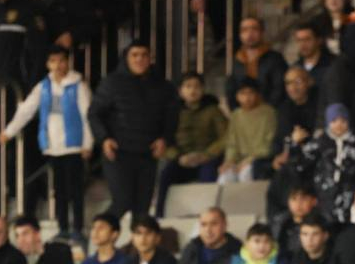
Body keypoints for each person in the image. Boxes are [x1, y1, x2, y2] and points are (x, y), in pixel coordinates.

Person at [0, 46, 94, 240]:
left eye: (61, 60)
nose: (58, 65)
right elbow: (26, 110)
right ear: (47, 64)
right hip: (53, 146)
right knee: (59, 190)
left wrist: (88, 143)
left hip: (74, 145)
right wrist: (9, 131)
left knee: (75, 189)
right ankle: (63, 226)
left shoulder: (78, 85)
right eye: (53, 61)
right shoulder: (43, 87)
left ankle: (78, 227)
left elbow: (88, 115)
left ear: (67, 62)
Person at [88, 41, 178, 220]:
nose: (139, 59)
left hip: (148, 153)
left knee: (143, 208)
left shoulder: (163, 86)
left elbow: (171, 117)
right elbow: (94, 114)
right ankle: (100, 230)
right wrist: (104, 139)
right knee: (122, 201)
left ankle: (137, 240)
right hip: (118, 152)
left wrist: (165, 139)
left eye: (144, 55)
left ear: (150, 58)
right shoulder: (111, 83)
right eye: (134, 55)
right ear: (126, 58)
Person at [157, 73, 228, 214]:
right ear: (180, 91)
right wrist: (179, 157)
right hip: (181, 159)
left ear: (203, 89)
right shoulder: (172, 112)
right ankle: (160, 216)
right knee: (166, 175)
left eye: (197, 86)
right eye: (188, 86)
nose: (193, 90)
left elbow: (226, 137)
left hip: (207, 158)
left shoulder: (213, 110)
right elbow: (165, 140)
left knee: (208, 175)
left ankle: (207, 216)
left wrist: (207, 154)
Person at [218, 79, 276, 185]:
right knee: (224, 177)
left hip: (261, 160)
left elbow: (269, 144)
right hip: (239, 160)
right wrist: (229, 161)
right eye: (242, 93)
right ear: (237, 96)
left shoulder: (269, 113)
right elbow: (232, 144)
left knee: (245, 175)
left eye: (250, 93)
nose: (247, 97)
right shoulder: (236, 115)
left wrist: (250, 160)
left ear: (257, 94)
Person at [225, 16, 286, 108]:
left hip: (268, 111)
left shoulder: (275, 58)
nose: (249, 34)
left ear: (262, 32)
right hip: (243, 112)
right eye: (244, 30)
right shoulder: (237, 60)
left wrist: (266, 110)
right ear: (240, 35)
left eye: (254, 29)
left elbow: (280, 88)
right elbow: (231, 90)